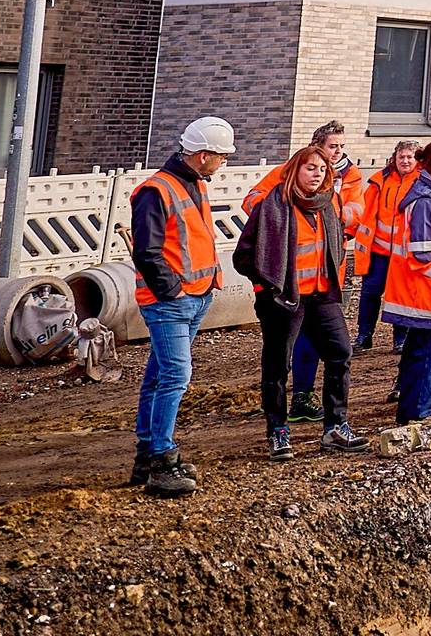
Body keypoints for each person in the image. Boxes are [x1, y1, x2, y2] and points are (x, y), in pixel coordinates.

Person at [231, 143, 367, 461]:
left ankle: (335, 427)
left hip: (321, 294)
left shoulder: (328, 204)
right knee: (278, 364)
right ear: (295, 170)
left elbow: (336, 243)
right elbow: (243, 256)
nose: (317, 174)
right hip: (283, 299)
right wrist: (269, 284)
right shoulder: (273, 205)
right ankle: (278, 431)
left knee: (340, 353)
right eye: (310, 168)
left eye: (322, 169)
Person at [128, 115, 234, 498]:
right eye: (221, 156)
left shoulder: (193, 184)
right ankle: (161, 458)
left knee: (160, 376)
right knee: (175, 375)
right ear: (202, 155)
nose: (224, 162)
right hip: (172, 301)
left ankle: (148, 455)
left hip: (193, 295)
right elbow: (147, 252)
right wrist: (171, 290)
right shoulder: (156, 191)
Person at [380, 141, 431, 420]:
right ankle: (421, 413)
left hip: (424, 291)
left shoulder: (421, 194)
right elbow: (422, 252)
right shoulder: (426, 200)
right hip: (430, 293)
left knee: (420, 354)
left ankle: (414, 411)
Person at [354, 141, 421, 351]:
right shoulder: (381, 180)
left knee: (401, 297)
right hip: (378, 251)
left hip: (404, 253)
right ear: (395, 158)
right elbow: (365, 211)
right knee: (370, 294)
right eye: (402, 157)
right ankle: (364, 336)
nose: (405, 161)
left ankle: (400, 339)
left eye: (410, 157)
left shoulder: (421, 181)